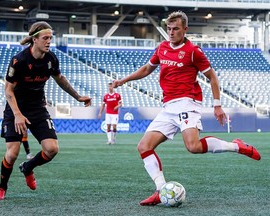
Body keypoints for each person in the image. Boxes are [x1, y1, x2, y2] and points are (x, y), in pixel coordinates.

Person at [112, 11, 261, 206]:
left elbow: (212, 77)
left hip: (187, 103)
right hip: (167, 107)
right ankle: (160, 189)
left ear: (185, 29)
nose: (171, 33)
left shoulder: (193, 51)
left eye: (175, 29)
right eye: (169, 29)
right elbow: (147, 69)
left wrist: (217, 105)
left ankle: (237, 146)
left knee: (193, 147)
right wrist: (124, 80)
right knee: (143, 146)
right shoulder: (162, 48)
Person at [0, 21, 92, 200]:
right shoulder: (19, 60)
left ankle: (28, 167)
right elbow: (8, 90)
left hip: (37, 108)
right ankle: (2, 187)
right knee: (12, 153)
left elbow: (60, 78)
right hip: (16, 108)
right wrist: (17, 115)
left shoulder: (51, 58)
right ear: (35, 40)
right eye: (45, 38)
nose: (49, 42)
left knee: (52, 149)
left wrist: (77, 97)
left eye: (50, 38)